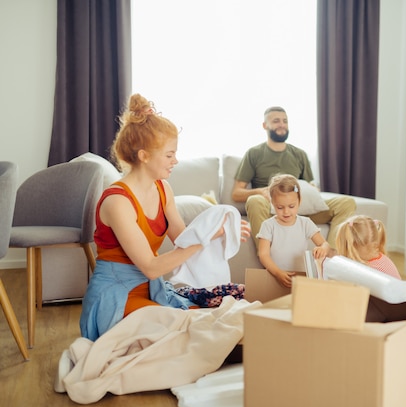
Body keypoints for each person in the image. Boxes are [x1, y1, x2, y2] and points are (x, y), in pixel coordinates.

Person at [79, 93, 251, 341]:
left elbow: (183, 239)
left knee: (213, 321)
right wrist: (204, 237)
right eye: (169, 155)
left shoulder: (163, 189)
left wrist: (218, 232)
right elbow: (150, 267)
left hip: (153, 290)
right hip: (116, 296)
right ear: (144, 155)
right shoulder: (117, 201)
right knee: (189, 330)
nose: (175, 161)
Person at [231, 106, 356, 249]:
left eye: (285, 121)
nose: (282, 124)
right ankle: (267, 257)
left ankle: (331, 256)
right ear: (265, 125)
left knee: (346, 202)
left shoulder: (299, 154)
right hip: (272, 206)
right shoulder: (254, 154)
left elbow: (309, 185)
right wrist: (260, 192)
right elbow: (236, 193)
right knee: (254, 201)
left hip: (297, 206)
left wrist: (312, 189)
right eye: (276, 121)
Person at [257, 174, 330, 287]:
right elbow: (263, 254)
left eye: (291, 206)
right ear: (272, 203)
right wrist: (277, 273)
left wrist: (323, 249)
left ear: (299, 201)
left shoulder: (305, 223)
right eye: (280, 208)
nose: (286, 212)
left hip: (300, 278)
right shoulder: (268, 225)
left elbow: (324, 244)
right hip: (275, 276)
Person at [334, 215, 401, 279]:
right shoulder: (380, 259)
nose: (348, 254)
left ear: (355, 247)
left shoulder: (370, 270)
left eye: (348, 249)